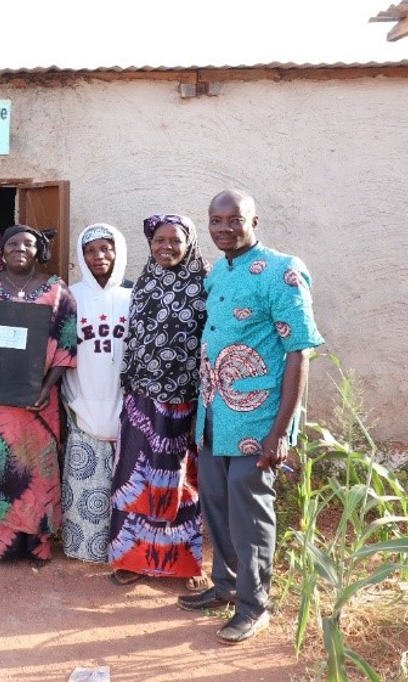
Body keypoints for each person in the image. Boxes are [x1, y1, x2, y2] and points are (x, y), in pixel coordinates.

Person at [180, 190, 323, 645]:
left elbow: (299, 352)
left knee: (250, 514)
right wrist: (198, 415)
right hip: (214, 415)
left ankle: (254, 605)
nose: (224, 228)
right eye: (215, 220)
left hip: (258, 420)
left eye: (234, 219)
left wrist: (281, 432)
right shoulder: (217, 273)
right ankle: (225, 587)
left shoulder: (282, 271)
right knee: (217, 507)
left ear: (254, 222)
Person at [0, 225, 77, 562]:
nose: (19, 248)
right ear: (2, 250)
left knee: (35, 472)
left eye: (28, 243)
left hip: (36, 402)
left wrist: (46, 387)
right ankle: (0, 546)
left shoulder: (56, 291)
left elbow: (68, 344)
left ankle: (36, 546)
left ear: (38, 250)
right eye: (12, 243)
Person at [109, 214, 206, 587]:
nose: (166, 247)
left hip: (184, 401)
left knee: (180, 478)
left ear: (190, 243)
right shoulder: (145, 282)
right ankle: (131, 559)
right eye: (158, 240)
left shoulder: (205, 284)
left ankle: (184, 564)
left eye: (175, 240)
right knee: (134, 476)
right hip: (141, 398)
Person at [60, 223, 131, 563]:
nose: (99, 256)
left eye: (106, 249)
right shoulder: (70, 296)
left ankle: (124, 552)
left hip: (124, 403)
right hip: (82, 399)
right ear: (81, 256)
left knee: (125, 481)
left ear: (118, 252)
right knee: (85, 479)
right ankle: (83, 547)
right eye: (90, 250)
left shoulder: (134, 296)